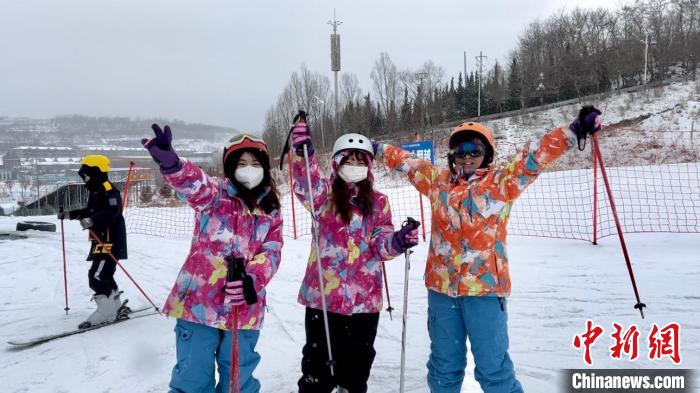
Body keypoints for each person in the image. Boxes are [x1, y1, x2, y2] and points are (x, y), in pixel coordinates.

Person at [374, 107, 602, 393]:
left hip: (485, 292)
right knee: (444, 367)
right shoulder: (438, 182)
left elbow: (536, 156)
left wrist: (573, 130)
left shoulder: (502, 183)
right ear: (452, 155)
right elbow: (407, 162)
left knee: (493, 369)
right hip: (442, 291)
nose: (467, 157)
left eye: (474, 150)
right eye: (460, 150)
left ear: (487, 153)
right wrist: (374, 148)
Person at [142, 124, 283, 393]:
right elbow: (194, 184)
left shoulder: (270, 209)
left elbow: (272, 251)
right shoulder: (215, 195)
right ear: (230, 167)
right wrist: (173, 164)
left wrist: (253, 280)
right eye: (242, 162)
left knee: (238, 382)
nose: (249, 168)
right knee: (193, 377)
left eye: (255, 162)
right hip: (198, 305)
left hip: (244, 311)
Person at [291, 115, 420, 393]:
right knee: (318, 366)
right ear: (337, 163)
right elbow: (305, 183)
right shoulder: (323, 196)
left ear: (369, 166)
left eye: (361, 161)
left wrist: (397, 241)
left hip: (364, 300)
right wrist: (304, 154)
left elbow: (380, 242)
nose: (355, 166)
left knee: (357, 367)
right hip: (324, 299)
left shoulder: (380, 202)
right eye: (349, 160)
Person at [58, 154, 128, 329]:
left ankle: (106, 312)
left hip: (109, 241)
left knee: (95, 277)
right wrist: (70, 214)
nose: (85, 178)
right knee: (105, 275)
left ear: (96, 172)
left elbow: (113, 211)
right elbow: (90, 211)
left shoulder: (108, 190)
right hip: (101, 241)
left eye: (86, 175)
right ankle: (116, 307)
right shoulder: (96, 191)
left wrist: (92, 220)